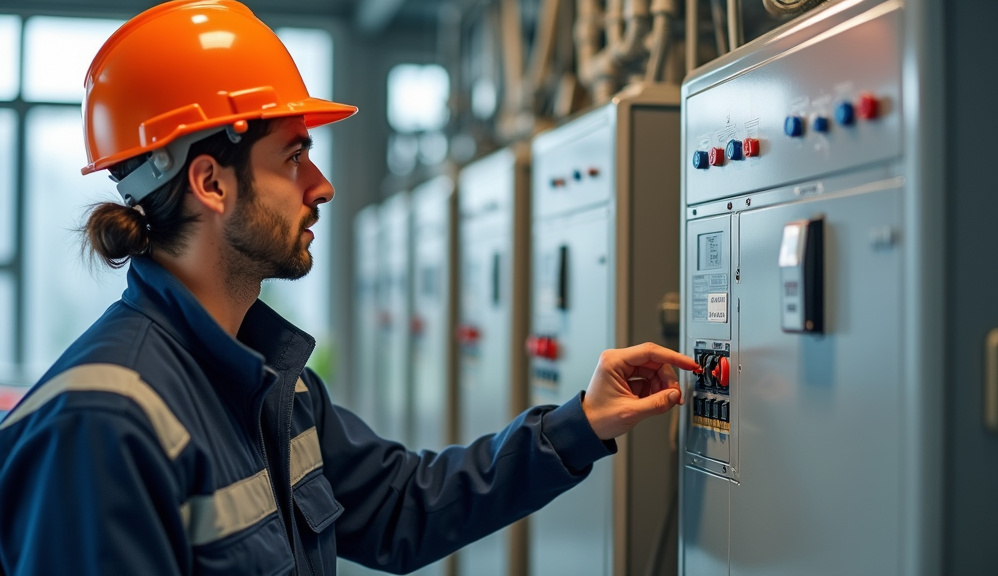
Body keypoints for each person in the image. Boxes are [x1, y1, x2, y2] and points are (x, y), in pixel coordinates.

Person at [0, 2, 699, 575]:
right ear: (211, 183)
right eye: (294, 157)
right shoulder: (101, 427)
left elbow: (400, 505)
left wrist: (582, 423)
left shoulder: (271, 378)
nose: (322, 187)